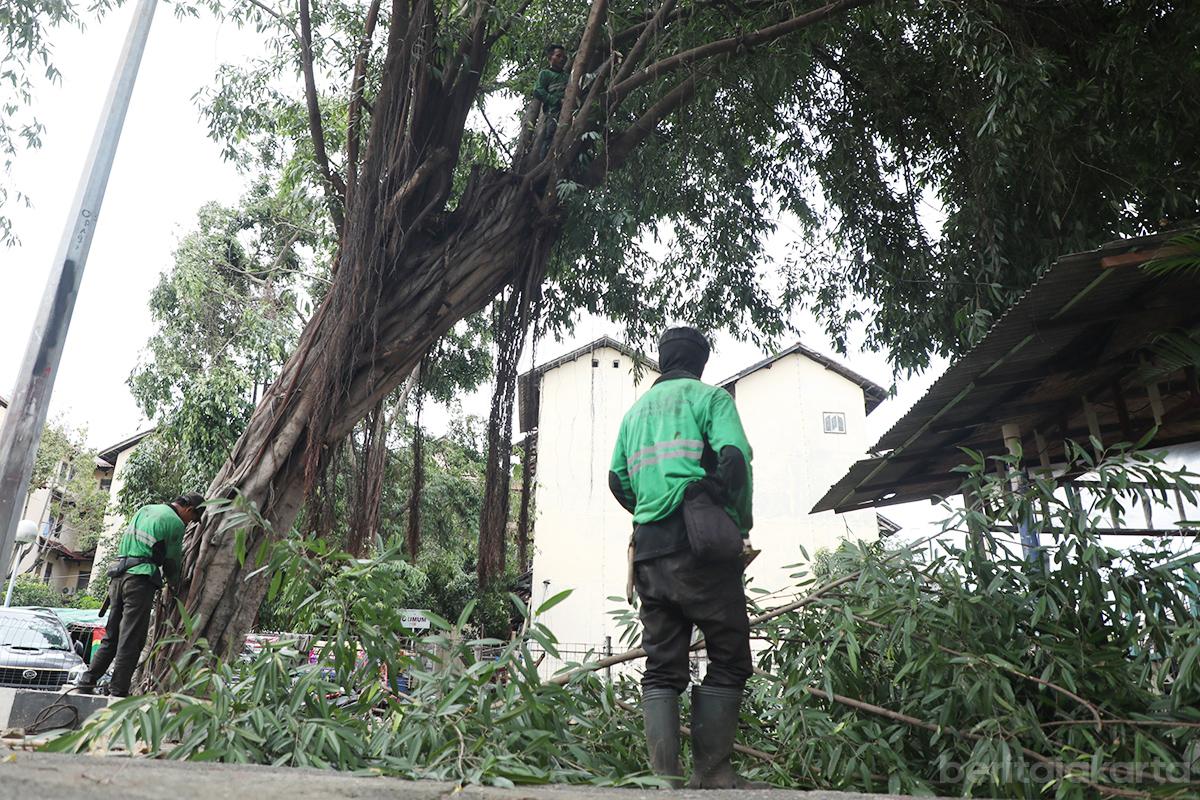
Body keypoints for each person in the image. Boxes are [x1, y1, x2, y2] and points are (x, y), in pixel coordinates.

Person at [608, 327, 761, 789]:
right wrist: (731, 515)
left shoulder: (634, 415)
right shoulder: (710, 400)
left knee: (661, 666)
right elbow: (735, 461)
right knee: (730, 656)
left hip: (649, 553)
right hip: (701, 550)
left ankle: (664, 785)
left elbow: (617, 481)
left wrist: (650, 510)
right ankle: (713, 776)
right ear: (700, 363)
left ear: (662, 359)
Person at [77, 493, 203, 696]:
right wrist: (175, 584)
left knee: (112, 635)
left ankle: (87, 681)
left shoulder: (146, 509)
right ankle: (118, 690)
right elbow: (172, 559)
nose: (190, 524)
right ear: (188, 509)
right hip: (139, 580)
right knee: (132, 638)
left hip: (118, 577)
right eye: (193, 519)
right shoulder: (175, 522)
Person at [532, 43, 568, 157]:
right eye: (558, 56)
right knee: (550, 137)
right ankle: (544, 162)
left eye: (564, 57)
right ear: (550, 58)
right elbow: (538, 91)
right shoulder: (545, 74)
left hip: (569, 112)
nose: (562, 59)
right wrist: (556, 101)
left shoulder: (567, 76)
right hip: (554, 112)